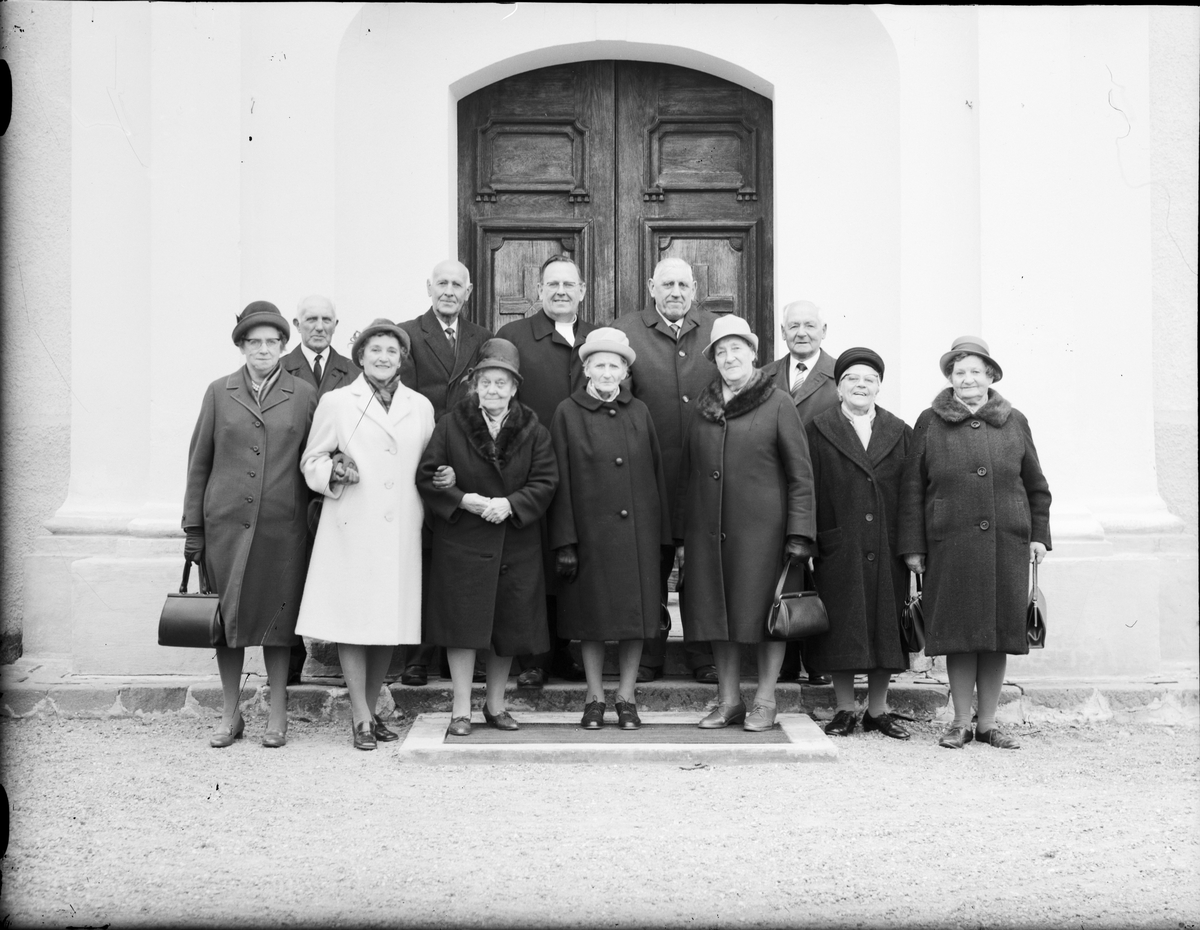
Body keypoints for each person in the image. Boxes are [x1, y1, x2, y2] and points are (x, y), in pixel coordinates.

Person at [899, 336, 1052, 750]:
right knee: (959, 632)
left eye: (975, 371)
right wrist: (914, 546)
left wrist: (1039, 534)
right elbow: (912, 489)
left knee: (999, 634)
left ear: (990, 376)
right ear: (950, 378)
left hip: (1007, 543)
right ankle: (961, 722)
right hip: (950, 544)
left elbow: (1036, 486)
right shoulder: (929, 421)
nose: (967, 378)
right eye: (959, 371)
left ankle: (988, 723)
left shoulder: (1014, 420)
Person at [295, 319, 435, 750]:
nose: (383, 357)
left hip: (402, 528)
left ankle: (372, 711)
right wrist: (333, 470)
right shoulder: (338, 402)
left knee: (387, 623)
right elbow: (311, 459)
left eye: (391, 351)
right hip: (353, 524)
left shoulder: (421, 405)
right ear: (360, 356)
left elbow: (426, 464)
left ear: (402, 359)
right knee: (354, 621)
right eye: (374, 349)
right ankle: (359, 716)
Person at [182, 301, 317, 749]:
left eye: (272, 341)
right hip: (225, 528)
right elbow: (199, 463)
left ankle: (278, 712)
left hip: (283, 528)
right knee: (229, 622)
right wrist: (193, 530)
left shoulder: (303, 395)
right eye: (254, 342)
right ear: (242, 346)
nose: (263, 349)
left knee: (278, 622)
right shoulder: (219, 392)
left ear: (283, 345)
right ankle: (230, 712)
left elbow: (316, 458)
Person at [678, 315, 816, 731]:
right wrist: (683, 537)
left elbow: (800, 474)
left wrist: (799, 534)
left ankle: (766, 700)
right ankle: (728, 700)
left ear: (754, 355)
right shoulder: (703, 408)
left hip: (764, 536)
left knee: (766, 618)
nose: (729, 356)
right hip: (709, 533)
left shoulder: (778, 403)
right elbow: (688, 473)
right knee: (719, 616)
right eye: (721, 351)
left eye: (737, 348)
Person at [417, 339, 559, 736]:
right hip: (463, 540)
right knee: (462, 626)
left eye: (502, 383)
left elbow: (546, 481)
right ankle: (460, 708)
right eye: (486, 382)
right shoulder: (451, 423)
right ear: (475, 385)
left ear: (515, 388)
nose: (493, 390)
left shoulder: (534, 428)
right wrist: (464, 499)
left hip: (514, 541)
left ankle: (495, 705)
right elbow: (429, 474)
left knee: (507, 627)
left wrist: (511, 504)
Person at [548, 328, 672, 730]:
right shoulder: (567, 412)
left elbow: (655, 474)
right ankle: (594, 696)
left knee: (635, 618)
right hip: (589, 539)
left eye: (613, 365)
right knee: (593, 620)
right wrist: (565, 540)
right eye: (598, 364)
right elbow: (559, 481)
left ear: (624, 371)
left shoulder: (639, 412)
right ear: (586, 369)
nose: (606, 372)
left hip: (637, 536)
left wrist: (662, 540)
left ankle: (627, 696)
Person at [613, 256, 720, 684]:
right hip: (646, 473)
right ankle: (649, 654)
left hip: (706, 472)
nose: (675, 292)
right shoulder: (626, 330)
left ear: (694, 289)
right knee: (649, 566)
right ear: (651, 287)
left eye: (683, 284)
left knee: (702, 567)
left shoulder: (716, 329)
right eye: (667, 284)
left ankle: (703, 654)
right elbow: (617, 400)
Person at [496, 254, 595, 687]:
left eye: (568, 284)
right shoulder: (514, 336)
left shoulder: (597, 338)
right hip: (529, 469)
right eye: (551, 284)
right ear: (538, 292)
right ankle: (533, 658)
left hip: (586, 472)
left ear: (582, 291)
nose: (560, 291)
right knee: (533, 566)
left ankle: (565, 654)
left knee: (573, 562)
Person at [804, 348, 914, 739]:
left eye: (869, 379)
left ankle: (878, 710)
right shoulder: (819, 429)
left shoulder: (900, 431)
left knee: (885, 627)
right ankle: (845, 709)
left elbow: (913, 491)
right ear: (838, 387)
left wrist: (911, 545)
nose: (861, 385)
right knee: (843, 628)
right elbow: (809, 488)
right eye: (852, 378)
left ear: (879, 386)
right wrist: (812, 542)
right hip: (840, 545)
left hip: (887, 545)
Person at [397, 260, 494, 687]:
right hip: (420, 455)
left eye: (457, 284)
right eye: (442, 284)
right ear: (429, 288)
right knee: (422, 554)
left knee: (458, 559)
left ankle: (464, 648)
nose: (449, 291)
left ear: (469, 291)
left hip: (469, 457)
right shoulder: (407, 334)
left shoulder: (483, 337)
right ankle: (419, 654)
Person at [280, 293, 359, 684]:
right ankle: (290, 664)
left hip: (338, 490)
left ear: (336, 326)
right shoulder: (281, 369)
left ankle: (344, 665)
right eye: (310, 319)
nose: (319, 326)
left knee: (341, 573)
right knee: (290, 575)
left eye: (327, 319)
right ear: (297, 325)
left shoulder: (353, 370)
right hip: (292, 489)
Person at [761, 299, 839, 687]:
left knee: (823, 577)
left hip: (827, 490)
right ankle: (787, 658)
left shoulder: (841, 375)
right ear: (782, 333)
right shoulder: (765, 375)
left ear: (823, 331)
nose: (802, 333)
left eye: (810, 325)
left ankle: (820, 660)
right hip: (778, 493)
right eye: (794, 326)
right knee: (785, 575)